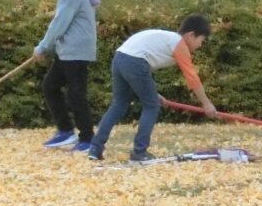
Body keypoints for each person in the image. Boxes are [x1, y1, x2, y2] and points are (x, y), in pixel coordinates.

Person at [87, 14, 218, 162]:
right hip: (135, 61)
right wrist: (207, 104)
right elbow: (192, 78)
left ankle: (95, 149)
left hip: (120, 58)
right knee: (152, 106)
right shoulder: (179, 44)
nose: (200, 45)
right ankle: (139, 151)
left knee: (118, 105)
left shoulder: (167, 39)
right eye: (201, 40)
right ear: (191, 35)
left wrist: (153, 93)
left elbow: (142, 66)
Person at [34, 0, 101, 152]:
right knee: (50, 86)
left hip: (75, 51)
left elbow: (59, 23)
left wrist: (43, 46)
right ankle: (65, 131)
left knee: (75, 94)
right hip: (69, 51)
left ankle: (87, 138)